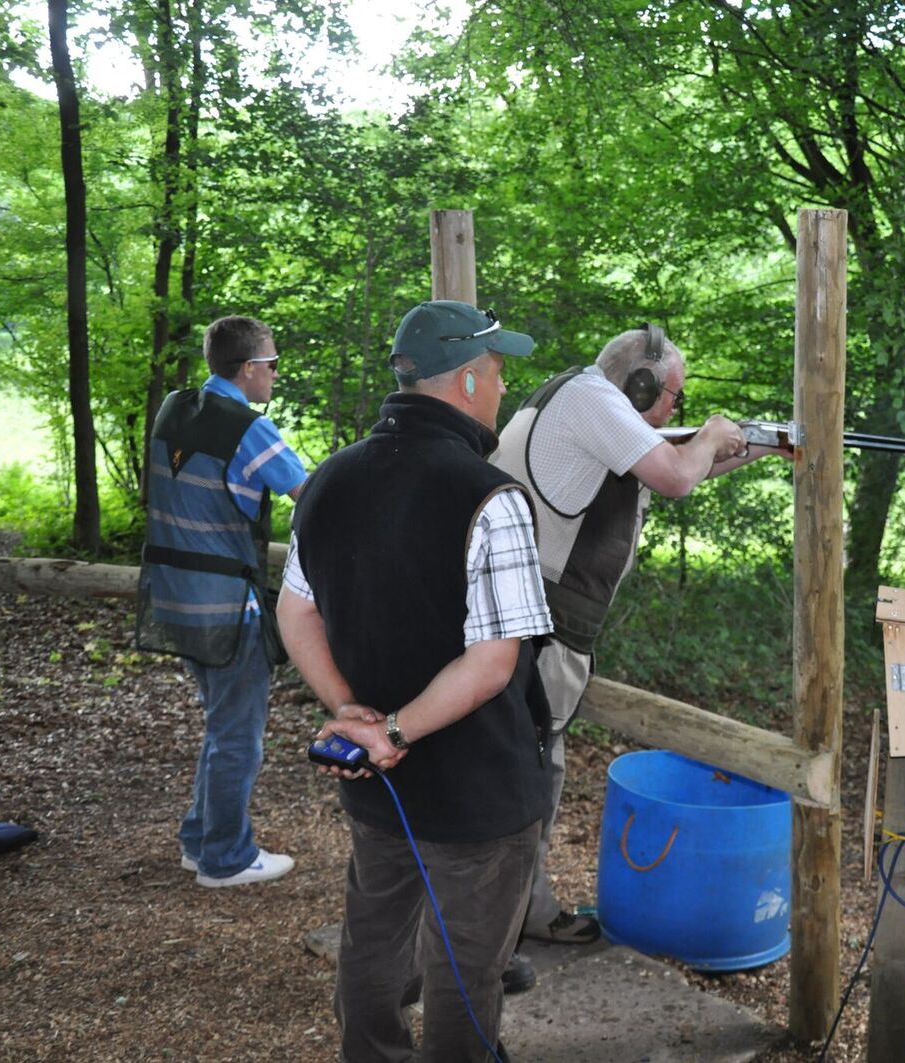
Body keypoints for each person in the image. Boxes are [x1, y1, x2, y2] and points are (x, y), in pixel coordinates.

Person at [278, 300, 553, 1063]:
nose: (501, 388)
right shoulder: (488, 496)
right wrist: (391, 731)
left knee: (373, 940)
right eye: (497, 372)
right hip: (476, 788)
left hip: (374, 776)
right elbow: (494, 661)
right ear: (467, 382)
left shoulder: (328, 478)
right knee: (466, 971)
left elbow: (294, 612)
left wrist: (350, 713)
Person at [490, 323, 790, 946]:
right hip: (539, 630)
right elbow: (679, 474)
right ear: (640, 381)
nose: (676, 407)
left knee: (535, 769)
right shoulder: (590, 399)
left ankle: (519, 911)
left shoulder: (583, 404)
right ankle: (492, 930)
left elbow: (680, 465)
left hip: (534, 626)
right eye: (672, 393)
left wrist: (760, 445)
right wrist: (710, 434)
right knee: (520, 777)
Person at [137, 315, 307, 888]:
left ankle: (199, 840)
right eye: (273, 364)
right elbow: (310, 494)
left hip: (174, 600)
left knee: (221, 725)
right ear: (249, 369)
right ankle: (226, 859)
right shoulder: (247, 428)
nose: (277, 375)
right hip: (228, 608)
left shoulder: (175, 409)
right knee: (238, 734)